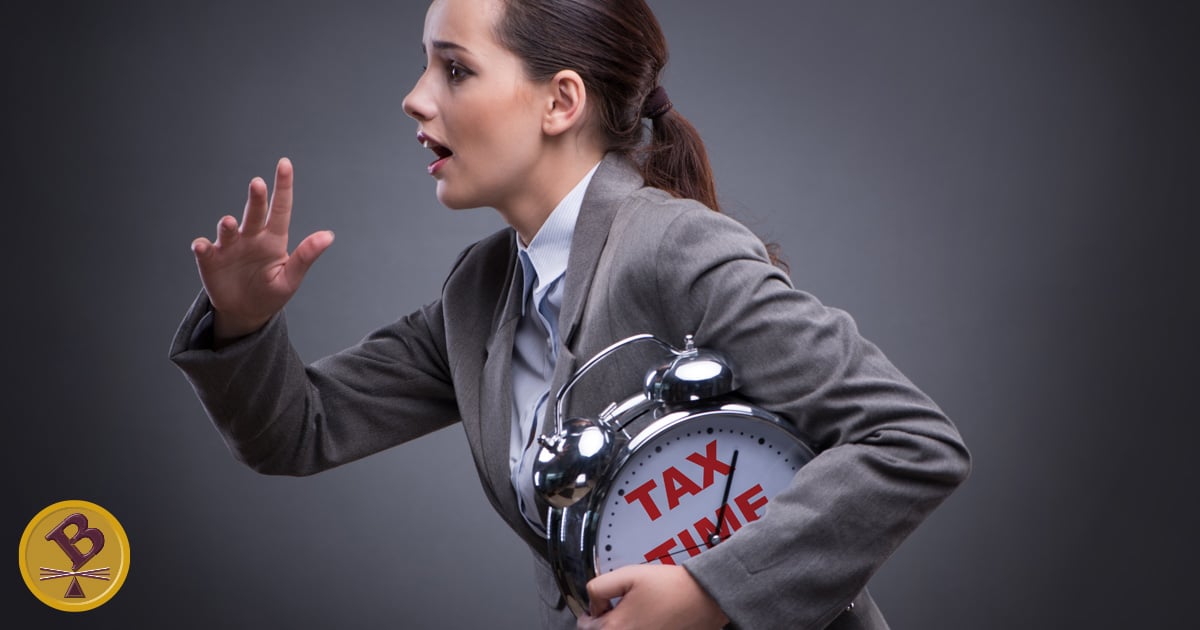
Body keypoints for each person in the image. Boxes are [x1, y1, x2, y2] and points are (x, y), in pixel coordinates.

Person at [170, 0, 970, 628]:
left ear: (560, 100)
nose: (415, 99)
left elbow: (911, 441)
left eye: (454, 70)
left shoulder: (675, 247)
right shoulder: (479, 293)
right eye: (423, 66)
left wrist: (709, 589)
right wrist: (242, 323)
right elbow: (296, 430)